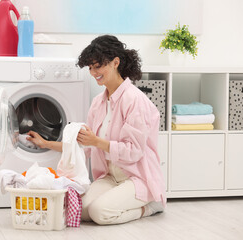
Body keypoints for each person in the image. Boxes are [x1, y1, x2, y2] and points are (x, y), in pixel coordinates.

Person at [27, 35, 166, 225]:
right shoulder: (98, 103)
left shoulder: (135, 101)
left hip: (136, 177)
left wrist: (96, 141)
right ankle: (122, 202)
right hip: (110, 176)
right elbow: (83, 145)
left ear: (116, 62)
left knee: (99, 213)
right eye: (90, 67)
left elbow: (133, 151)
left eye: (98, 66)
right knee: (80, 210)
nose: (93, 72)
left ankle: (150, 206)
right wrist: (45, 143)